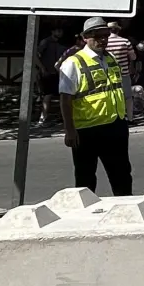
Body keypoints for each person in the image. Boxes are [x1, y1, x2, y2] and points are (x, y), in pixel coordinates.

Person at [58, 17, 133, 196]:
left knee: (121, 175)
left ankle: (124, 213)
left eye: (105, 35)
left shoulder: (110, 58)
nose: (103, 40)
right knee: (85, 179)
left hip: (115, 125)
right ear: (85, 37)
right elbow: (65, 99)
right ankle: (84, 217)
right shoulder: (73, 63)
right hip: (86, 130)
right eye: (97, 36)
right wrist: (69, 130)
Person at [34, 26, 66, 126]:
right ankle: (42, 119)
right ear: (52, 31)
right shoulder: (46, 42)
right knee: (47, 95)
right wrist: (42, 68)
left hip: (58, 73)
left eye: (61, 30)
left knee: (62, 95)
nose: (60, 32)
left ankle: (62, 117)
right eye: (58, 30)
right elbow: (35, 56)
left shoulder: (61, 43)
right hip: (48, 72)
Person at [105, 22, 138, 119]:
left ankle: (117, 116)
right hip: (124, 73)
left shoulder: (105, 42)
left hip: (109, 73)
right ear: (118, 30)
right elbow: (133, 57)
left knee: (112, 96)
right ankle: (130, 118)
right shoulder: (125, 41)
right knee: (127, 97)